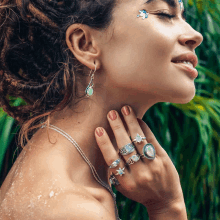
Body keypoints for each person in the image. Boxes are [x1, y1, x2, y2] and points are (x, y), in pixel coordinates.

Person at [0, 0, 203, 219]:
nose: (195, 35)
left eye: (182, 16)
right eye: (164, 14)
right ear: (85, 44)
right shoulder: (75, 208)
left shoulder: (64, 172)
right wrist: (168, 208)